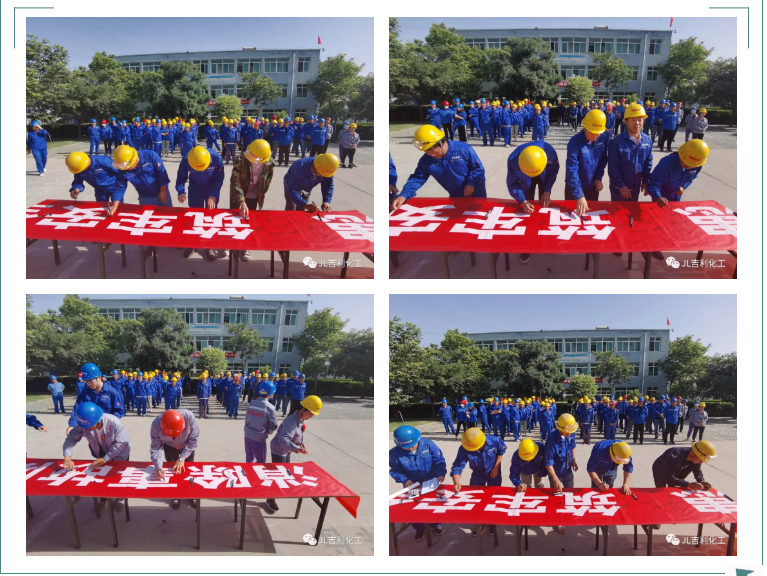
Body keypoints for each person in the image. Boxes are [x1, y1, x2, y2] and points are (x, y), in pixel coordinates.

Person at [391, 126, 486, 209]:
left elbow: (478, 169)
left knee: (479, 215)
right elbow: (418, 178)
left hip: (475, 191)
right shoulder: (426, 160)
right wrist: (404, 194)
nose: (431, 155)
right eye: (427, 152)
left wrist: (471, 183)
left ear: (443, 143)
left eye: (433, 152)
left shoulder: (464, 150)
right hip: (455, 194)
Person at [63, 402, 130, 512]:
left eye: (89, 426)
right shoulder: (83, 424)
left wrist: (106, 458)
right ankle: (103, 499)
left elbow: (122, 443)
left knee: (117, 476)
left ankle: (120, 498)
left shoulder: (113, 422)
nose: (87, 429)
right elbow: (71, 438)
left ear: (98, 421)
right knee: (100, 476)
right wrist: (67, 457)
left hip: (119, 452)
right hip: (101, 451)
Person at [267, 395, 323, 513]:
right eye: (310, 414)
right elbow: (283, 441)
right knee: (278, 476)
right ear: (303, 409)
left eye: (312, 415)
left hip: (287, 450)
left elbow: (297, 434)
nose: (310, 417)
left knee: (285, 473)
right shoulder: (291, 421)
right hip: (279, 450)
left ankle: (273, 494)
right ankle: (270, 499)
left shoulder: (300, 419)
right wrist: (297, 449)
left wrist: (301, 443)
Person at [389, 425, 446, 540]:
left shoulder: (428, 444)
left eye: (412, 446)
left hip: (431, 480)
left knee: (433, 502)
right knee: (414, 506)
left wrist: (441, 473)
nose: (410, 449)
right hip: (412, 483)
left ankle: (436, 525)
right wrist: (404, 480)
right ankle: (419, 528)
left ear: (417, 439)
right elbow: (395, 471)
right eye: (406, 447)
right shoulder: (394, 453)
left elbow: (439, 460)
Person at [450, 428, 506, 535]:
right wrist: (456, 482)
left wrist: (495, 468)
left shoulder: (494, 440)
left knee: (493, 496)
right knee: (476, 498)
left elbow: (501, 452)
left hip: (494, 472)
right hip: (478, 474)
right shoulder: (465, 447)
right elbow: (457, 467)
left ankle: (492, 522)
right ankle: (479, 522)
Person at [175, 146, 226, 261]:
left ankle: (210, 245)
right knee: (195, 216)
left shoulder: (215, 158)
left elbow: (219, 179)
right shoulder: (187, 159)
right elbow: (181, 177)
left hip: (211, 188)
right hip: (195, 188)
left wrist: (213, 194)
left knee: (210, 217)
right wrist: (181, 191)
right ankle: (194, 242)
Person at [150, 409, 199, 510]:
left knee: (187, 471)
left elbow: (193, 440)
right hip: (170, 447)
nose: (174, 437)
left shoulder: (189, 417)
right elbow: (156, 447)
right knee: (173, 472)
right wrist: (158, 467)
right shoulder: (155, 425)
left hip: (186, 446)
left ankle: (190, 493)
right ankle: (176, 494)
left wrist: (182, 458)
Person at [607, 103, 654, 203]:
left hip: (635, 186)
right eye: (633, 120)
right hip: (618, 189)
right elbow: (613, 167)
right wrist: (621, 186)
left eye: (640, 120)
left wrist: (645, 181)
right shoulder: (616, 142)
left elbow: (648, 162)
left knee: (632, 210)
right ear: (626, 121)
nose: (637, 123)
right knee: (617, 211)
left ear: (644, 121)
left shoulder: (647, 140)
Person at [565, 109, 609, 216]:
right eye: (592, 132)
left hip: (592, 186)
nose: (595, 136)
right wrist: (579, 195)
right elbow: (572, 169)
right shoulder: (574, 142)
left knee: (591, 217)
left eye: (598, 133)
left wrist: (598, 178)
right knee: (573, 218)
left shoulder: (602, 138)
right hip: (574, 189)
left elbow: (603, 159)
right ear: (585, 127)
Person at [645, 139, 709, 209]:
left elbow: (691, 179)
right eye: (685, 163)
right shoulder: (666, 163)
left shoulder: (698, 164)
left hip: (676, 197)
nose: (688, 166)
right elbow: (653, 184)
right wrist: (657, 197)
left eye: (692, 165)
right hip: (661, 196)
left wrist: (683, 186)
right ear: (681, 155)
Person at [543, 413, 578, 535]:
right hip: (556, 472)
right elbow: (548, 463)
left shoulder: (570, 431)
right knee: (557, 496)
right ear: (561, 429)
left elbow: (572, 446)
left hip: (567, 469)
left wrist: (573, 460)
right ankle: (559, 521)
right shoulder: (552, 441)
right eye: (568, 432)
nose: (570, 433)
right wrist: (555, 479)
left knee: (569, 493)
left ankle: (567, 514)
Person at [67, 362, 125, 435]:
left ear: (99, 377)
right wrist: (72, 425)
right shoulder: (85, 392)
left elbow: (119, 411)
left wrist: (108, 423)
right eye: (86, 381)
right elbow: (77, 408)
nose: (88, 384)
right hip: (91, 428)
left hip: (107, 429)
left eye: (90, 381)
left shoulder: (112, 392)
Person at [244, 380, 279, 468]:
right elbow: (274, 424)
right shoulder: (270, 407)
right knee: (261, 460)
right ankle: (254, 474)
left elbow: (247, 418)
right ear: (271, 393)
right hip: (259, 437)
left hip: (247, 434)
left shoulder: (252, 403)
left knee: (249, 457)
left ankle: (248, 472)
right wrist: (271, 430)